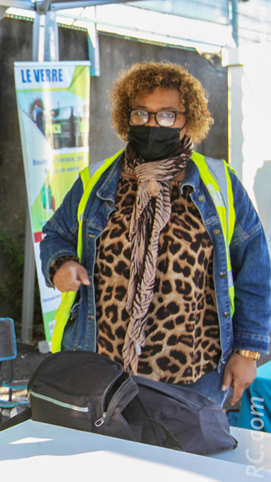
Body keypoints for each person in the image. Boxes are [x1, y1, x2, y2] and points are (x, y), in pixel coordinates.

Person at [40, 61, 271, 407]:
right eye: (141, 114)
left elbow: (255, 267)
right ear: (126, 117)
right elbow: (55, 234)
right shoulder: (97, 181)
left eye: (166, 115)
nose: (151, 124)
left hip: (195, 378)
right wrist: (60, 263)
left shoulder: (219, 183)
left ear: (188, 120)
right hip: (105, 374)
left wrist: (248, 351)